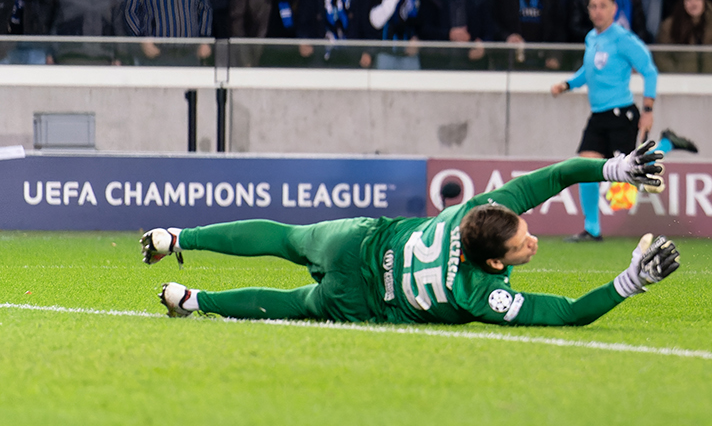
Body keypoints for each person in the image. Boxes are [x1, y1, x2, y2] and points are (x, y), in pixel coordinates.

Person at [149, 151, 680, 325]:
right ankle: (192, 301)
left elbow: (559, 174)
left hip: (356, 241)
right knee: (293, 303)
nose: (531, 240)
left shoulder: (477, 211)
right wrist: (631, 280)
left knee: (286, 237)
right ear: (496, 264)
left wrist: (615, 168)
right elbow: (568, 313)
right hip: (362, 298)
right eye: (521, 243)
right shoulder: (479, 294)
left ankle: (177, 236)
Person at [550, 0, 660, 243]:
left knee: (628, 177)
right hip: (598, 116)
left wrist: (648, 110)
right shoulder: (592, 38)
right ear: (588, 11)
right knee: (585, 168)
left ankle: (667, 143)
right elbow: (588, 70)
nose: (598, 11)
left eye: (603, 6)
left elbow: (650, 70)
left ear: (614, 9)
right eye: (593, 7)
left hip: (622, 115)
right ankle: (592, 229)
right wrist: (568, 85)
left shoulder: (623, 39)